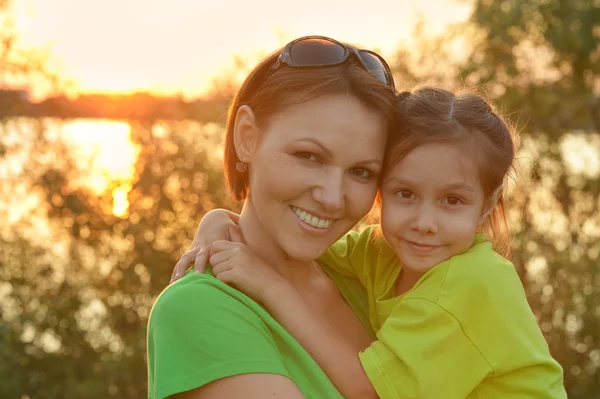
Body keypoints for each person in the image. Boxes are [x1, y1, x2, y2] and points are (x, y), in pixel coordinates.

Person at [173, 87, 567, 398]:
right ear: (380, 192)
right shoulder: (382, 253)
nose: (424, 223)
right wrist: (217, 222)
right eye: (406, 194)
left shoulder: (473, 282)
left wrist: (273, 289)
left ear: (487, 207)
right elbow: (300, 242)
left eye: (452, 200)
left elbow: (370, 391)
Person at [146, 35, 397, 399]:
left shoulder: (367, 278)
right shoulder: (197, 308)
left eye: (361, 172)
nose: (331, 197)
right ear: (246, 137)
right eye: (309, 156)